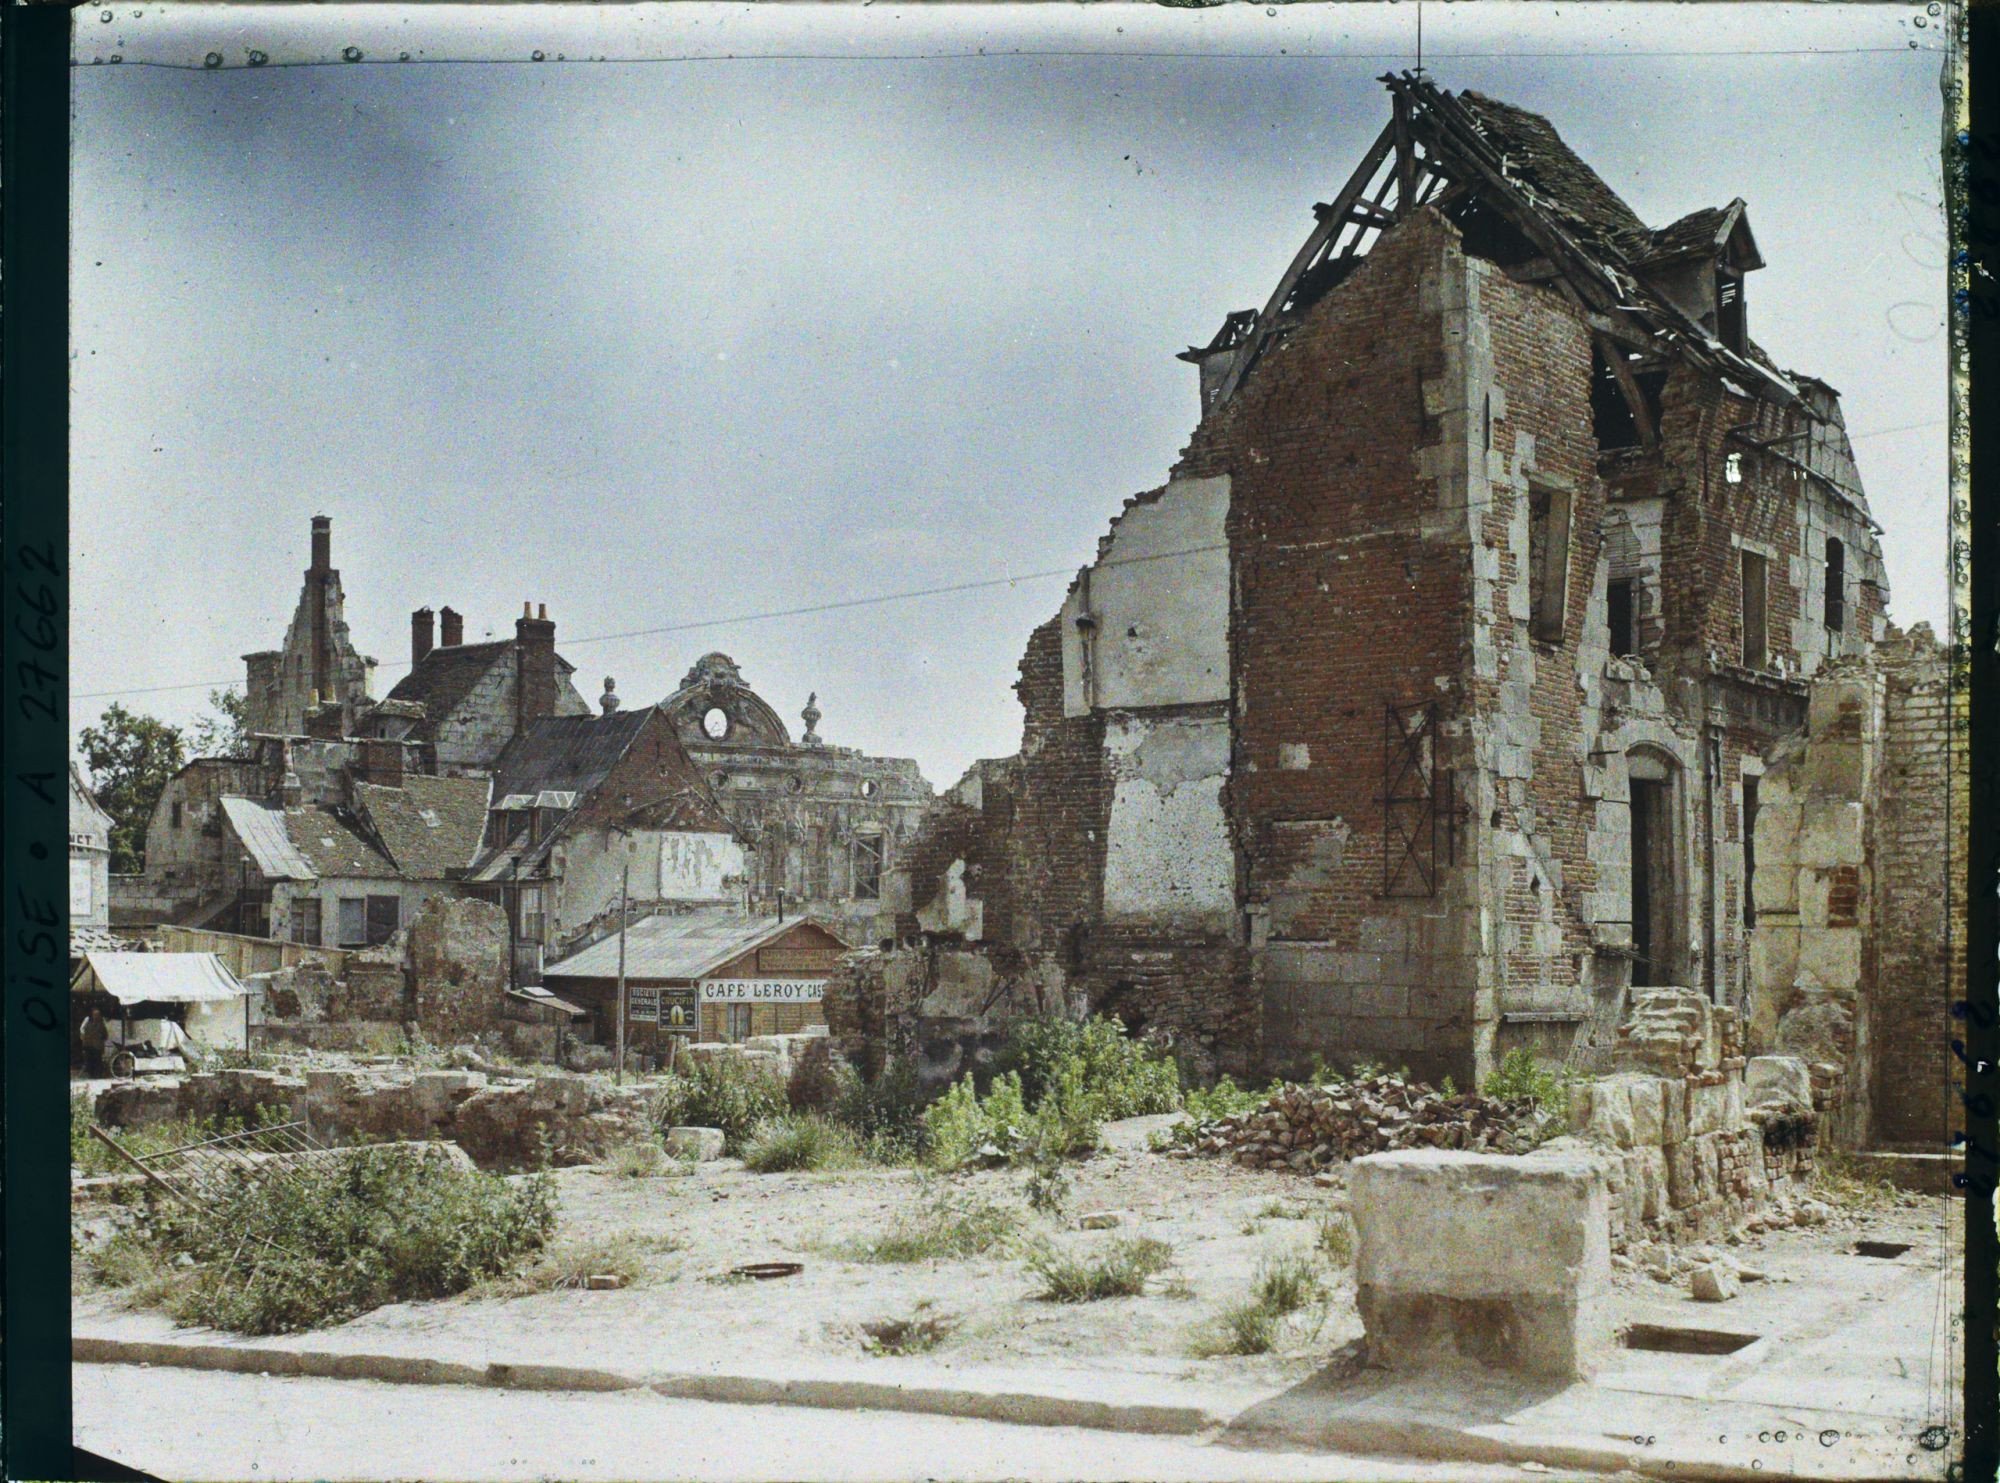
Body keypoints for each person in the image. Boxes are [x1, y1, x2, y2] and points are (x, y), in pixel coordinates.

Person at [79, 1007, 109, 1080]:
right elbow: (82, 1029)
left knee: (97, 1059)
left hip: (97, 1044)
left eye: (97, 1014)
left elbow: (105, 1032)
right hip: (88, 1043)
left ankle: (97, 1075)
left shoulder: (101, 1021)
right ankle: (91, 1074)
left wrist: (103, 1038)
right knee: (90, 1059)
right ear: (92, 1014)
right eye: (95, 1014)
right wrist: (84, 1036)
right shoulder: (87, 1019)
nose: (96, 1015)